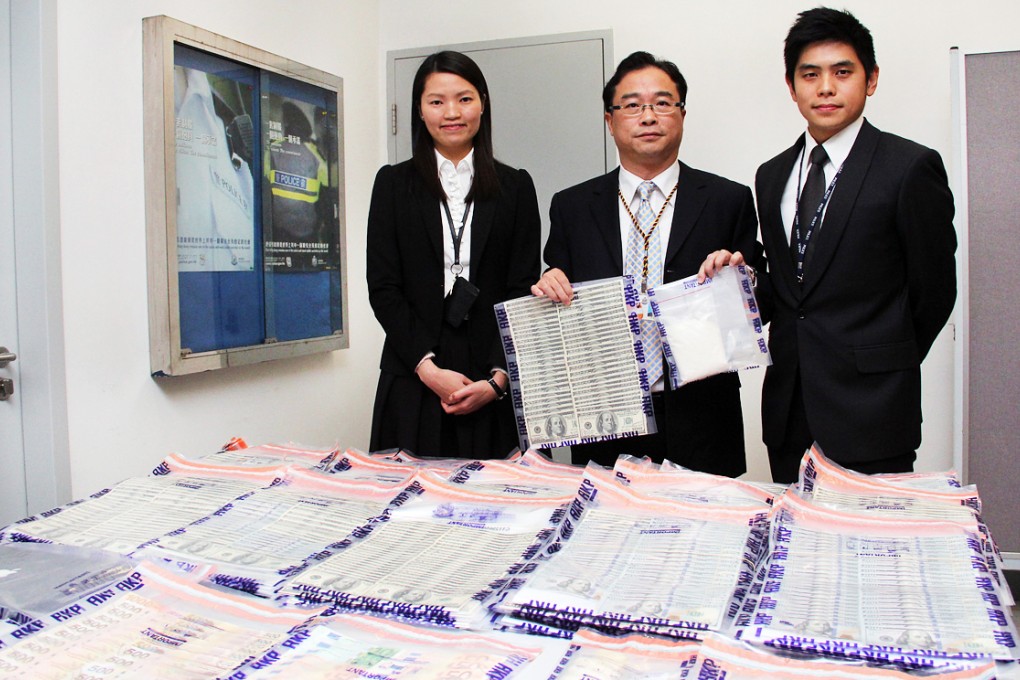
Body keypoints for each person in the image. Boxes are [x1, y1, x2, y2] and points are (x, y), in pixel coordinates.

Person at [700, 8, 957, 483]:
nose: (825, 88)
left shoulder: (909, 167)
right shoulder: (772, 174)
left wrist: (883, 363)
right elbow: (789, 288)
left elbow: (935, 290)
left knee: (875, 551)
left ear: (871, 79)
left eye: (843, 72)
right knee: (793, 554)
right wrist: (742, 279)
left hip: (874, 412)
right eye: (810, 74)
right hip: (789, 409)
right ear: (791, 85)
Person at [532, 51, 760, 475]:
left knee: (707, 535)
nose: (648, 116)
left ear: (682, 114)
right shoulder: (572, 206)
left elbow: (757, 304)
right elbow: (556, 281)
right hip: (606, 414)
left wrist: (739, 279)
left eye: (662, 103)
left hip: (704, 413)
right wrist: (550, 284)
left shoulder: (729, 199)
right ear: (610, 119)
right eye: (632, 105)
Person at [367, 51, 541, 458]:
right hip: (413, 370)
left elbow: (520, 289)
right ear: (420, 111)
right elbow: (383, 287)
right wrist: (428, 370)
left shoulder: (515, 187)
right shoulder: (393, 184)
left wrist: (498, 380)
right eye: (436, 101)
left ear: (483, 103)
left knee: (496, 509)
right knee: (407, 508)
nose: (452, 112)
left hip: (490, 378)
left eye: (464, 99)